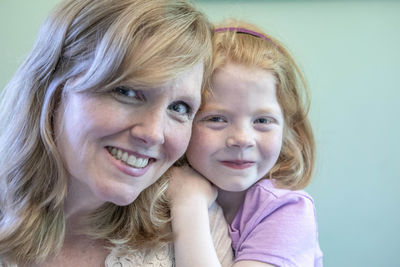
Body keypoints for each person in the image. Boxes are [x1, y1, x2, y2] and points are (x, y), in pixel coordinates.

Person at [0, 0, 234, 266]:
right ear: (53, 91)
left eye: (179, 107)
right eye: (127, 92)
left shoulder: (195, 226)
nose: (154, 134)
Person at [168, 20, 323, 267]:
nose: (241, 139)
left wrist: (189, 204)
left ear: (288, 130)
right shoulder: (156, 187)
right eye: (216, 119)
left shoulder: (287, 211)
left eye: (262, 120)